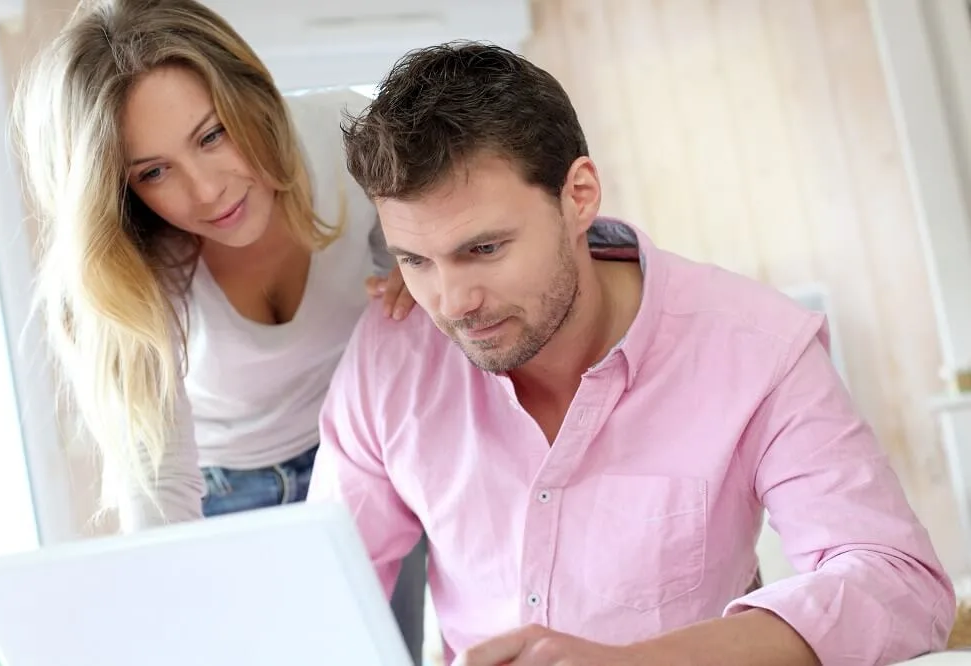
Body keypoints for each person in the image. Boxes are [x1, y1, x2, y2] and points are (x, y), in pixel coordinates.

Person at [308, 41, 956, 665]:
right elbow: (318, 589)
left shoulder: (754, 347)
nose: (452, 302)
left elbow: (895, 580)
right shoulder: (392, 355)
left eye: (483, 250)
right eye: (416, 260)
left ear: (579, 196)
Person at [12, 0, 424, 660]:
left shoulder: (346, 143)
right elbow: (160, 487)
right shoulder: (134, 268)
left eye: (211, 135)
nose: (206, 192)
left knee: (382, 654)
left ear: (249, 94)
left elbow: (446, 298)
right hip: (228, 493)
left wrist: (427, 281)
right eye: (152, 172)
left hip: (366, 458)